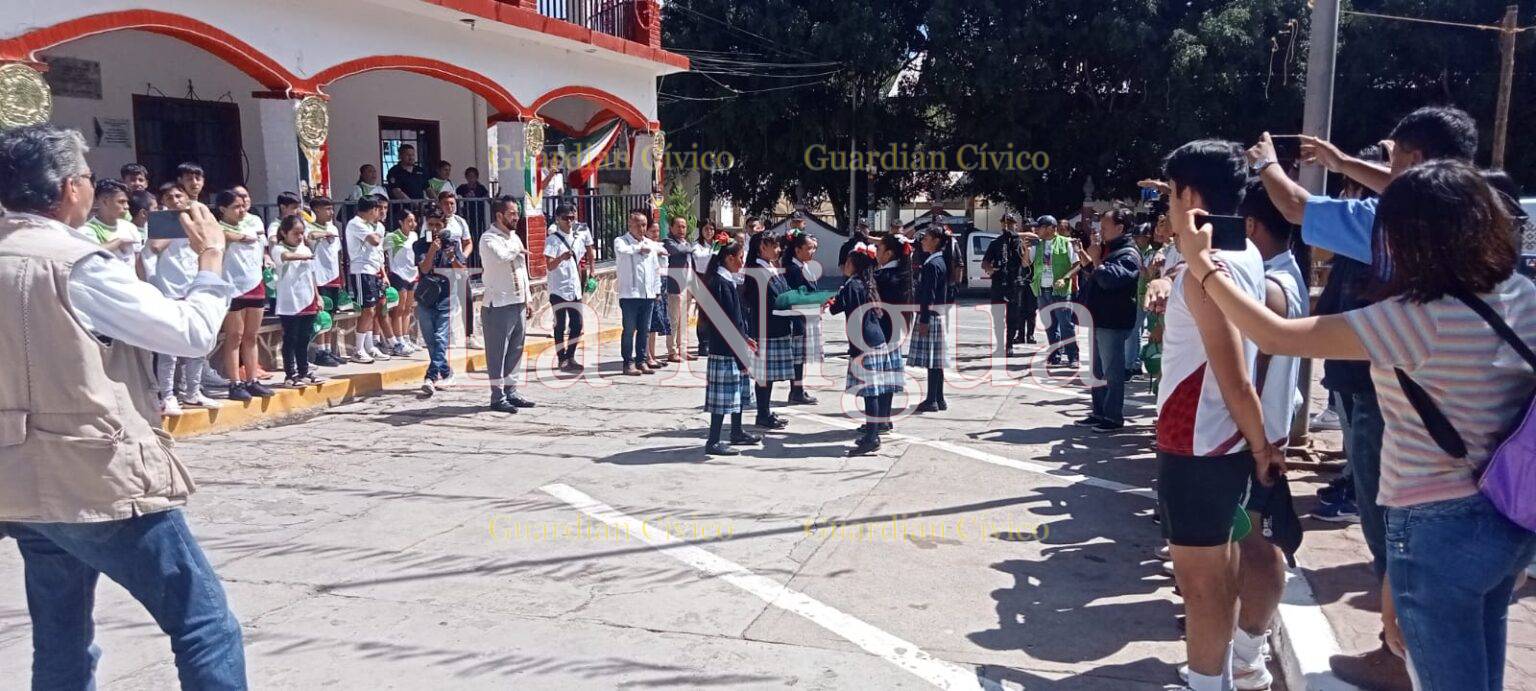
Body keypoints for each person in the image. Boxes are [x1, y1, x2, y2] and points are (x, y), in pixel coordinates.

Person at [1180, 159, 1536, 691]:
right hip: (1510, 515)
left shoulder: (1415, 319)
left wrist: (1202, 267)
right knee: (1481, 667)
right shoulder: (1522, 296)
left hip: (1435, 521)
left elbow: (1276, 334)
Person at [0, 123, 246, 689]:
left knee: (60, 638)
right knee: (204, 624)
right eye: (87, 177)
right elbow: (188, 333)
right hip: (95, 473)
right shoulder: (77, 263)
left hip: (19, 476)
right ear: (69, 190)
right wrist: (211, 260)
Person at [1249, 108, 1477, 688]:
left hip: (1397, 394)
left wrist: (1267, 165)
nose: (1387, 171)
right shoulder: (1488, 221)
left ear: (1418, 165)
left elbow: (1297, 210)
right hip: (1463, 412)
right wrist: (1345, 163)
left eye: (1395, 160)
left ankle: (1395, 650)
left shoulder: (1392, 230)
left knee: (1391, 525)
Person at [1155, 140, 1280, 691]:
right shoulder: (1247, 256)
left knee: (1200, 583)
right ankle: (1222, 672)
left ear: (1191, 194)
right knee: (1224, 565)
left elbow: (1233, 375)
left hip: (1197, 443)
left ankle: (1207, 683)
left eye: (1170, 196)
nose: (1167, 209)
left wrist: (1261, 448)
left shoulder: (1205, 275)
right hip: (1219, 441)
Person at [828, 241, 904, 456]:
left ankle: (872, 437)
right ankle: (873, 432)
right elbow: (838, 307)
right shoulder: (864, 282)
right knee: (874, 391)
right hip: (875, 339)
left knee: (870, 392)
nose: (844, 265)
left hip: (865, 342)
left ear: (854, 264)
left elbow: (849, 314)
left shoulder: (853, 285)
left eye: (848, 262)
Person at [1079, 206, 1143, 432]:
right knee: (1097, 371)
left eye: (1105, 227)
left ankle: (1113, 417)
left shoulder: (1128, 253)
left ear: (1120, 228)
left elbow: (1109, 280)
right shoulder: (1109, 249)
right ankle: (1099, 412)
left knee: (1112, 372)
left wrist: (1096, 261)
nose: (1101, 231)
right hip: (1100, 317)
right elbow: (1098, 277)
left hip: (1113, 320)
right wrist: (1089, 262)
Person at [699, 236, 762, 456]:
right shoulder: (720, 283)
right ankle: (713, 440)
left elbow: (736, 318)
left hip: (733, 344)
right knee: (722, 397)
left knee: (737, 392)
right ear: (728, 258)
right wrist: (739, 352)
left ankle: (736, 431)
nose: (742, 262)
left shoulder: (725, 280)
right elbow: (726, 323)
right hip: (725, 348)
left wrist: (744, 338)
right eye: (740, 258)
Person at [213, 188, 274, 402]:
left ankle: (252, 379)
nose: (241, 210)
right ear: (223, 209)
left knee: (251, 335)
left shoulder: (254, 221)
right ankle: (234, 382)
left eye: (242, 205)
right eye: (235, 207)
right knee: (235, 336)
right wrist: (239, 237)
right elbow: (221, 236)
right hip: (231, 286)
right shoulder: (218, 227)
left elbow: (260, 242)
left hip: (254, 282)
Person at [480, 196, 535, 413]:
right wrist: (517, 249)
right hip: (498, 303)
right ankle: (497, 396)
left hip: (518, 301)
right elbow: (501, 256)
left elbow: (522, 271)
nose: (516, 217)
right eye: (512, 213)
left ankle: (511, 391)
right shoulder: (488, 238)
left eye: (517, 213)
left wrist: (528, 298)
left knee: (516, 349)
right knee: (497, 353)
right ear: (499, 215)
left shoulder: (515, 237)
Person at [740, 233, 797, 430]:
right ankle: (762, 414)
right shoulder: (756, 270)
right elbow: (769, 300)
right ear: (762, 247)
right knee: (764, 375)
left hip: (777, 326)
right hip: (765, 328)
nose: (779, 249)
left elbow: (786, 291)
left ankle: (764, 412)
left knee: (769, 375)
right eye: (774, 246)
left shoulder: (771, 267)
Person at [270, 215, 324, 388]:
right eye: (295, 233)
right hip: (289, 303)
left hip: (307, 300)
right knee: (290, 339)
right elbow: (285, 256)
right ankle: (290, 374)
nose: (300, 237)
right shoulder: (278, 249)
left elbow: (312, 276)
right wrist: (303, 257)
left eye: (302, 233)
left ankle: (304, 371)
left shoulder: (306, 250)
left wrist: (318, 296)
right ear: (284, 233)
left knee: (304, 338)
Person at [911, 227, 955, 412]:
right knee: (937, 360)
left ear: (936, 240)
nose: (923, 241)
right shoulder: (939, 261)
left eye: (926, 238)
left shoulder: (932, 264)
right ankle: (939, 397)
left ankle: (932, 399)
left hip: (931, 315)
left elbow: (927, 295)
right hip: (938, 313)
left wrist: (924, 320)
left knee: (932, 360)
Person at [414, 210, 456, 396]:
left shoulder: (452, 244)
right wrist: (432, 250)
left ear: (444, 226)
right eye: (430, 225)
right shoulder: (420, 245)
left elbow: (462, 269)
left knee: (441, 338)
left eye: (438, 225)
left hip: (446, 297)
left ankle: (431, 377)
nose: (434, 229)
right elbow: (424, 268)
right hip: (426, 297)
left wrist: (452, 256)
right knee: (431, 340)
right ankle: (446, 371)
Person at [875, 233, 915, 424]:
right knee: (888, 376)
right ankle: (885, 417)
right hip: (894, 333)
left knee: (880, 377)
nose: (876, 252)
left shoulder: (884, 277)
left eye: (879, 249)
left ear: (889, 253)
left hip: (882, 332)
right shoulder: (902, 274)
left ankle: (880, 421)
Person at [615, 209, 661, 375]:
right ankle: (628, 362)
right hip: (629, 295)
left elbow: (656, 269)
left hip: (647, 295)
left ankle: (641, 360)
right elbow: (623, 251)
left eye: (644, 225)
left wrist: (657, 290)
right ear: (630, 225)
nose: (641, 228)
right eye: (638, 225)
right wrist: (638, 248)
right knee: (629, 329)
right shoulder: (621, 241)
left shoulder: (649, 244)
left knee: (645, 329)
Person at [546, 203, 590, 372]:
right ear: (558, 219)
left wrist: (582, 280)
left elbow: (578, 263)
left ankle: (570, 356)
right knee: (560, 325)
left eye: (572, 218)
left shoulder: (577, 239)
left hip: (574, 287)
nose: (569, 221)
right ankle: (561, 357)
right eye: (566, 218)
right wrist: (561, 257)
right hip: (558, 288)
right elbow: (549, 265)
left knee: (577, 324)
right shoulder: (552, 240)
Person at [1031, 215, 1080, 367]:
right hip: (1042, 289)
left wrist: (1064, 279)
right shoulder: (1037, 244)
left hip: (1060, 291)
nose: (1036, 230)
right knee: (1049, 325)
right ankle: (1054, 356)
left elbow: (1077, 264)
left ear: (1051, 228)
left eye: (1040, 227)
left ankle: (1073, 356)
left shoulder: (1066, 243)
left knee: (1066, 325)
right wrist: (1025, 249)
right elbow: (1027, 262)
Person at [345, 195, 390, 363]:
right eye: (378, 209)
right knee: (367, 309)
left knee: (374, 309)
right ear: (372, 210)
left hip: (373, 270)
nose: (380, 213)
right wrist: (376, 230)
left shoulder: (373, 225)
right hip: (361, 271)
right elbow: (375, 241)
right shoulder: (356, 224)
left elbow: (377, 252)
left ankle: (370, 346)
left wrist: (382, 273)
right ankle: (358, 349)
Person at [982, 211, 1032, 356]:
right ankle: (999, 345)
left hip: (1015, 283)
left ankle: (1009, 344)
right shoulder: (995, 243)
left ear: (1015, 225)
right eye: (1005, 223)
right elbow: (985, 263)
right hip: (998, 282)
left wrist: (1026, 249)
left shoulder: (1019, 243)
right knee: (998, 317)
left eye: (1010, 223)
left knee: (1013, 317)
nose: (1008, 226)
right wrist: (990, 269)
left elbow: (1025, 264)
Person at [781, 227, 821, 403]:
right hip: (797, 317)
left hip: (805, 316)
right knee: (797, 356)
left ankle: (799, 389)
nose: (812, 251)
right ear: (797, 250)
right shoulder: (793, 269)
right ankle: (796, 390)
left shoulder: (804, 266)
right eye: (809, 248)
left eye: (814, 248)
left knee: (801, 356)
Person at [306, 196, 346, 367]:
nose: (331, 212)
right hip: (319, 276)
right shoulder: (310, 226)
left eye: (331, 208)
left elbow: (337, 253)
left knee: (331, 314)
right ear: (316, 210)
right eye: (327, 209)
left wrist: (341, 274)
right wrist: (325, 233)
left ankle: (328, 349)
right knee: (321, 315)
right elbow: (311, 236)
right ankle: (320, 350)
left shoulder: (333, 227)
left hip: (333, 275)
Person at [662, 215, 698, 362]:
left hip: (689, 286)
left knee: (684, 319)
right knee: (674, 320)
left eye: (684, 226)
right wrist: (689, 248)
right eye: (678, 226)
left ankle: (683, 349)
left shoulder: (686, 244)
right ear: (671, 228)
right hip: (676, 286)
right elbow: (678, 251)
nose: (681, 229)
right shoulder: (668, 242)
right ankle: (671, 351)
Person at [81, 178, 140, 265]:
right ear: (106, 201)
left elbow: (138, 263)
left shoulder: (130, 227)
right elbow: (89, 254)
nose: (126, 206)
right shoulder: (87, 230)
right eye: (121, 202)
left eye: (127, 202)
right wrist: (118, 242)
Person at [385, 209, 420, 356]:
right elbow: (380, 250)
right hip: (398, 275)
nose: (413, 224)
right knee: (398, 310)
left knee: (408, 308)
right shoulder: (392, 237)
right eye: (409, 221)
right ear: (401, 222)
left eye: (414, 221)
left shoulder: (414, 235)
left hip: (413, 275)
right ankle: (398, 340)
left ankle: (405, 338)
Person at [645, 221, 670, 370]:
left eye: (657, 231)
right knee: (650, 322)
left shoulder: (659, 244)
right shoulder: (648, 245)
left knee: (656, 323)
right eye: (653, 231)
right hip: (654, 285)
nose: (656, 233)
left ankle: (653, 354)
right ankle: (647, 355)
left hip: (663, 283)